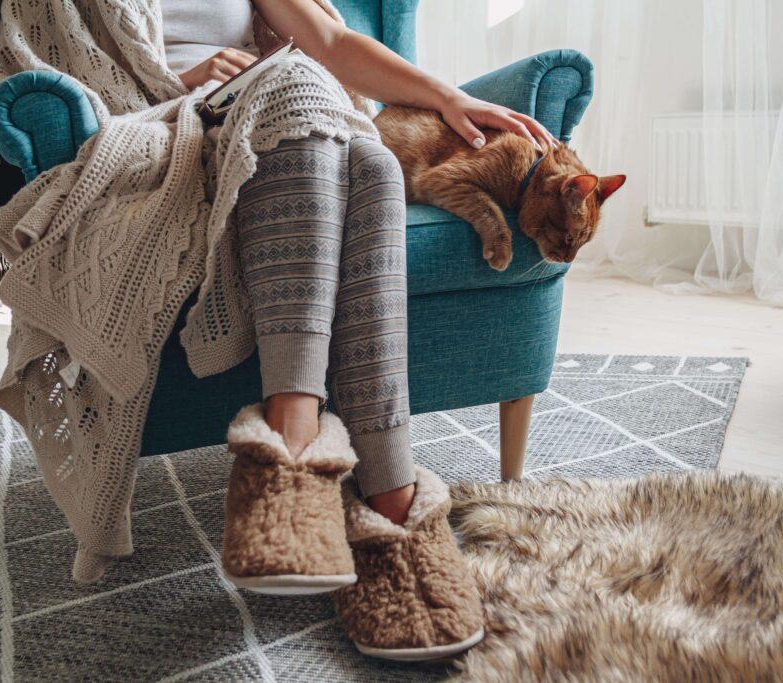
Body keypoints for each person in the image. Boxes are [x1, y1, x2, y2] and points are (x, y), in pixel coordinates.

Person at [162, 0, 556, 660]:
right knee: (296, 84)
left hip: (270, 122)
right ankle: (298, 444)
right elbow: (67, 82)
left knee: (373, 161)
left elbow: (330, 38)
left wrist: (450, 98)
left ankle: (387, 494)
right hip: (165, 132)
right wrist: (182, 82)